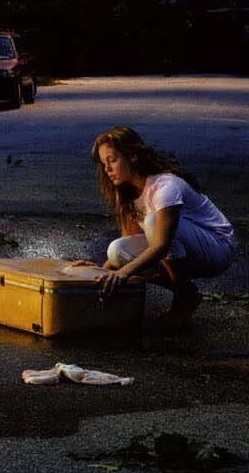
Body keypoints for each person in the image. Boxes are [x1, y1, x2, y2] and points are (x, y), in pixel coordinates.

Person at [74, 125, 236, 326]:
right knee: (117, 250)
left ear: (132, 157)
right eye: (103, 164)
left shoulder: (165, 187)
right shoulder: (127, 194)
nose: (107, 170)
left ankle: (183, 295)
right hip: (182, 250)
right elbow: (127, 251)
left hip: (217, 248)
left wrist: (123, 273)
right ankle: (187, 291)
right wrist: (101, 272)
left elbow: (161, 246)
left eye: (112, 161)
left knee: (152, 223)